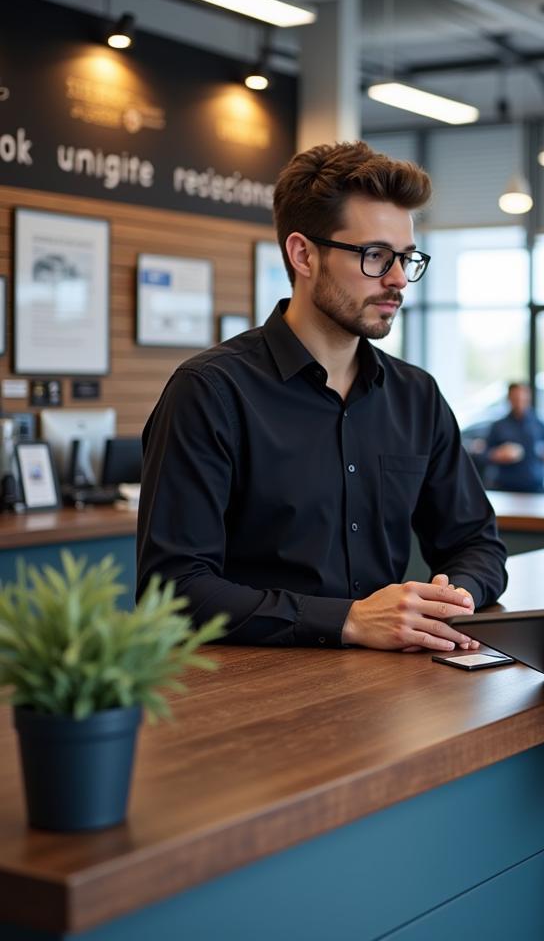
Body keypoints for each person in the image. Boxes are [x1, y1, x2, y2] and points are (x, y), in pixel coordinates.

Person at [137, 141, 507, 651]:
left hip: (386, 694)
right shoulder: (210, 392)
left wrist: (451, 598)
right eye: (376, 256)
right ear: (303, 254)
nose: (399, 280)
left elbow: (476, 545)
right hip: (251, 700)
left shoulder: (416, 396)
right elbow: (173, 593)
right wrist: (347, 620)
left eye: (406, 258)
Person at [483, 382, 544, 493]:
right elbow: (485, 454)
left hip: (535, 487)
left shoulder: (539, 424)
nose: (519, 402)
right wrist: (498, 455)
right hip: (505, 487)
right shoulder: (498, 426)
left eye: (523, 398)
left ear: (528, 398)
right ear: (509, 399)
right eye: (515, 398)